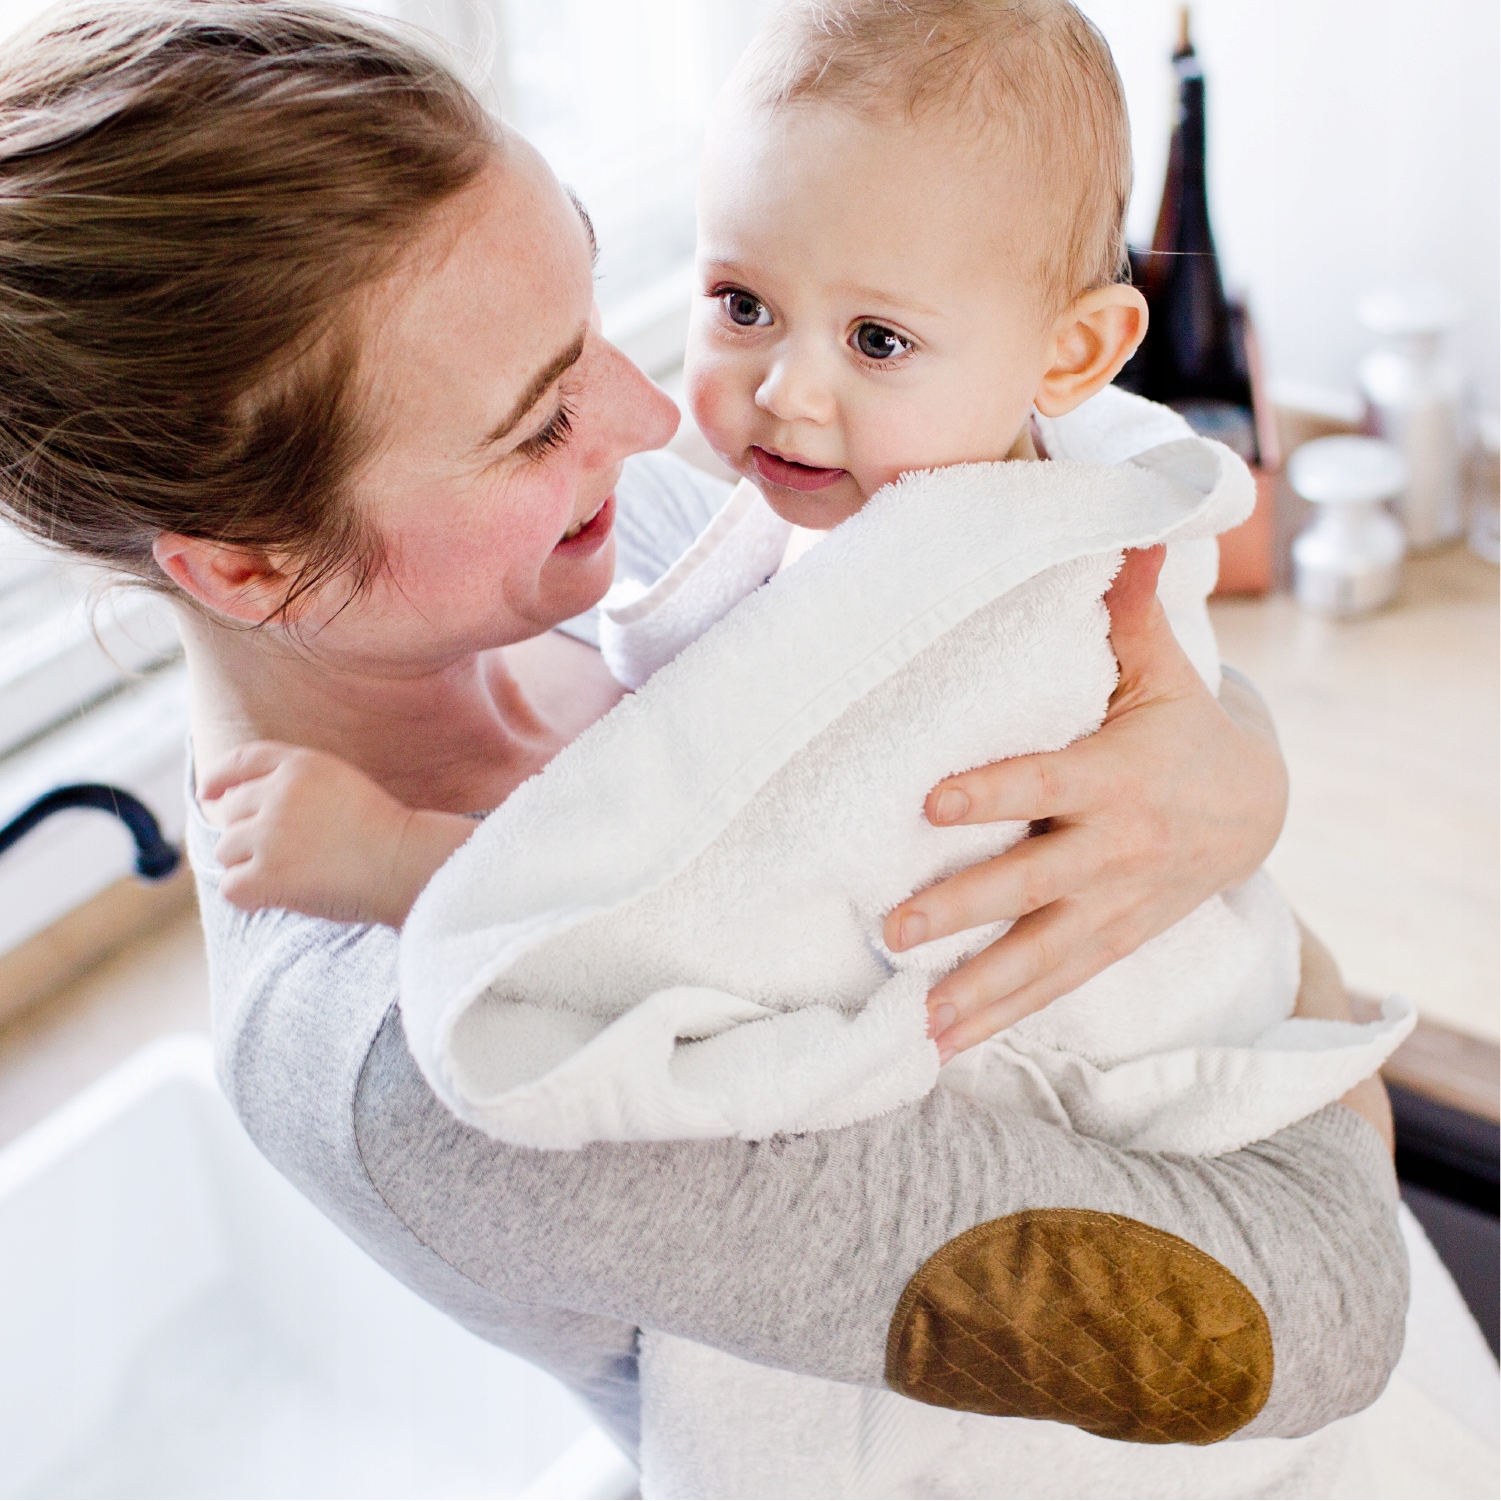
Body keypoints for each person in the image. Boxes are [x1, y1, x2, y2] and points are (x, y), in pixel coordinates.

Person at [0, 0, 1407, 1487]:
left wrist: (1228, 775)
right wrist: (1298, 990)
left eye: (598, 316)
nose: (649, 412)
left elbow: (1037, 668)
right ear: (245, 567)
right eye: (536, 423)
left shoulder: (634, 540)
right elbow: (1310, 1318)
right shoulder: (430, 1071)